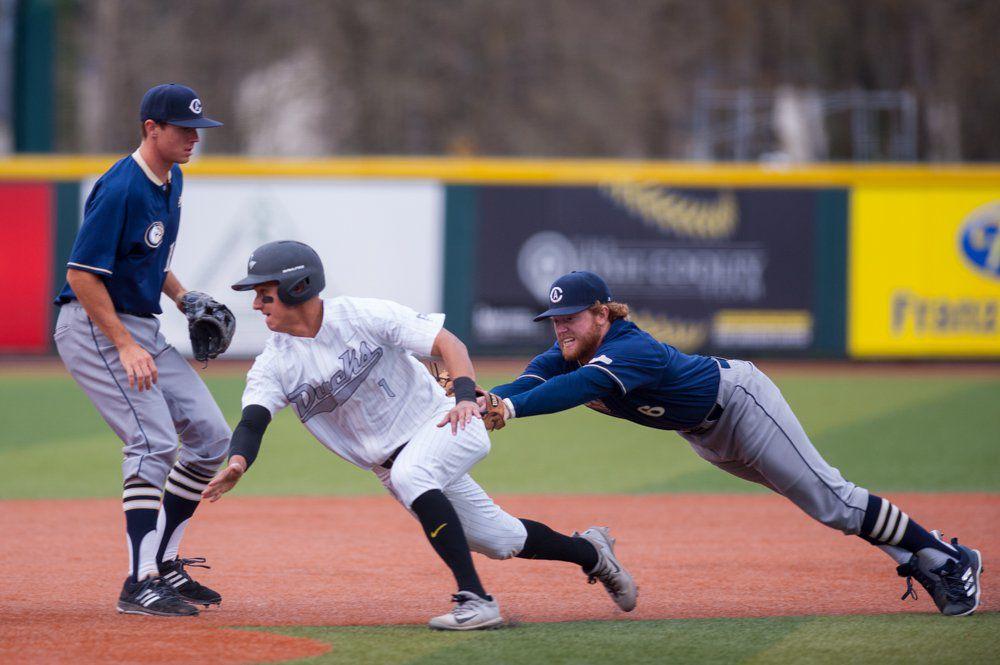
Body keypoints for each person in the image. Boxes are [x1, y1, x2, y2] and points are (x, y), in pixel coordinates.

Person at [478, 270, 983, 617]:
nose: (562, 328)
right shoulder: (567, 351)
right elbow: (528, 382)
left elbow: (579, 388)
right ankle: (931, 555)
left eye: (573, 318)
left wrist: (512, 410)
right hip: (705, 434)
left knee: (831, 501)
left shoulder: (632, 348)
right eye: (556, 320)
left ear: (603, 314)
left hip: (740, 403)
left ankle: (944, 557)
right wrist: (483, 400)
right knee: (822, 503)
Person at [202, 241, 638, 630]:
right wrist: (239, 462)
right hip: (392, 468)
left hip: (447, 423)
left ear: (297, 287)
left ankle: (476, 601)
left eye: (264, 293)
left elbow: (450, 345)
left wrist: (466, 397)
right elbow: (253, 420)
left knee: (414, 475)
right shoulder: (274, 363)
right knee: (501, 541)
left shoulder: (361, 315)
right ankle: (592, 552)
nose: (257, 304)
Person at [53, 84, 232, 617]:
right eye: (182, 128)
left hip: (140, 324)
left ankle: (166, 562)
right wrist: (126, 344)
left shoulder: (171, 180)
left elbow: (145, 261)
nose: (193, 137)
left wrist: (182, 297)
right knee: (154, 442)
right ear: (150, 128)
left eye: (197, 128)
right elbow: (82, 275)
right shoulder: (123, 187)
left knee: (210, 436)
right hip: (94, 327)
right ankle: (138, 580)